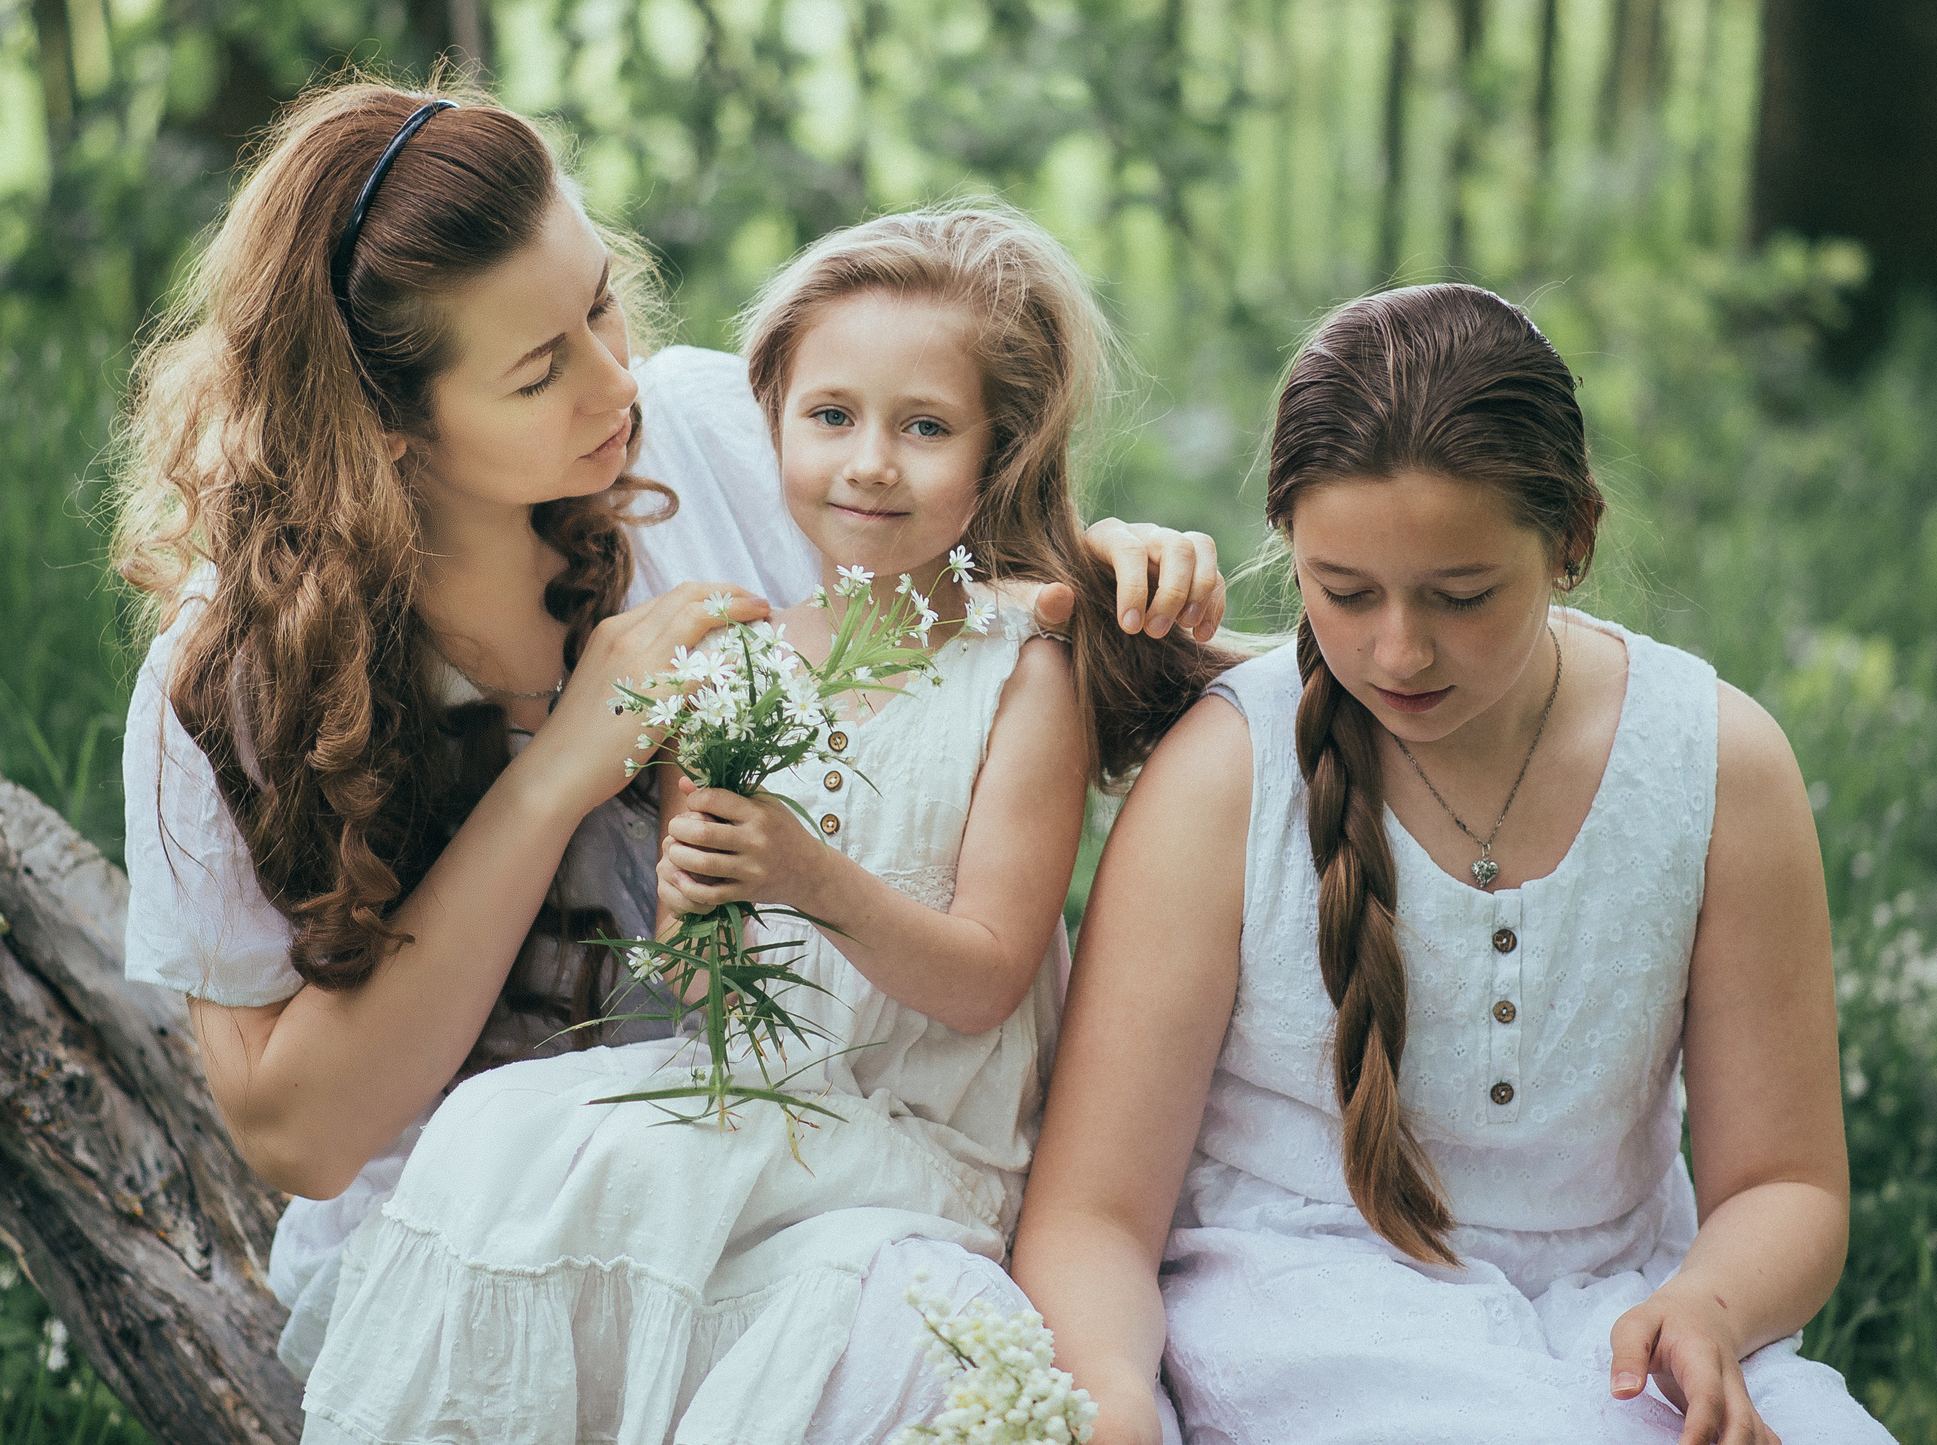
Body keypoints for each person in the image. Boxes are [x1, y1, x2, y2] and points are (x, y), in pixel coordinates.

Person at [111, 82, 1228, 1410]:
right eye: (540, 369)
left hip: (844, 1152)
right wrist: (561, 770)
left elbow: (960, 617)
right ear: (386, 424)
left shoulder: (700, 437)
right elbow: (294, 1130)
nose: (612, 378)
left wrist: (1109, 570)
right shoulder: (233, 676)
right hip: (502, 1233)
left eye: (597, 301)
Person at [1010, 284, 1896, 1445]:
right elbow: (1092, 1213)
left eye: (1461, 596)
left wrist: (1707, 1305)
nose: (1398, 649)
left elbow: (1786, 1183)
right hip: (1307, 1316)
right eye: (1342, 592)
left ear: (1572, 536)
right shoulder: (1227, 775)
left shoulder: (1715, 763)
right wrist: (1116, 1397)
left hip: (1624, 1314)